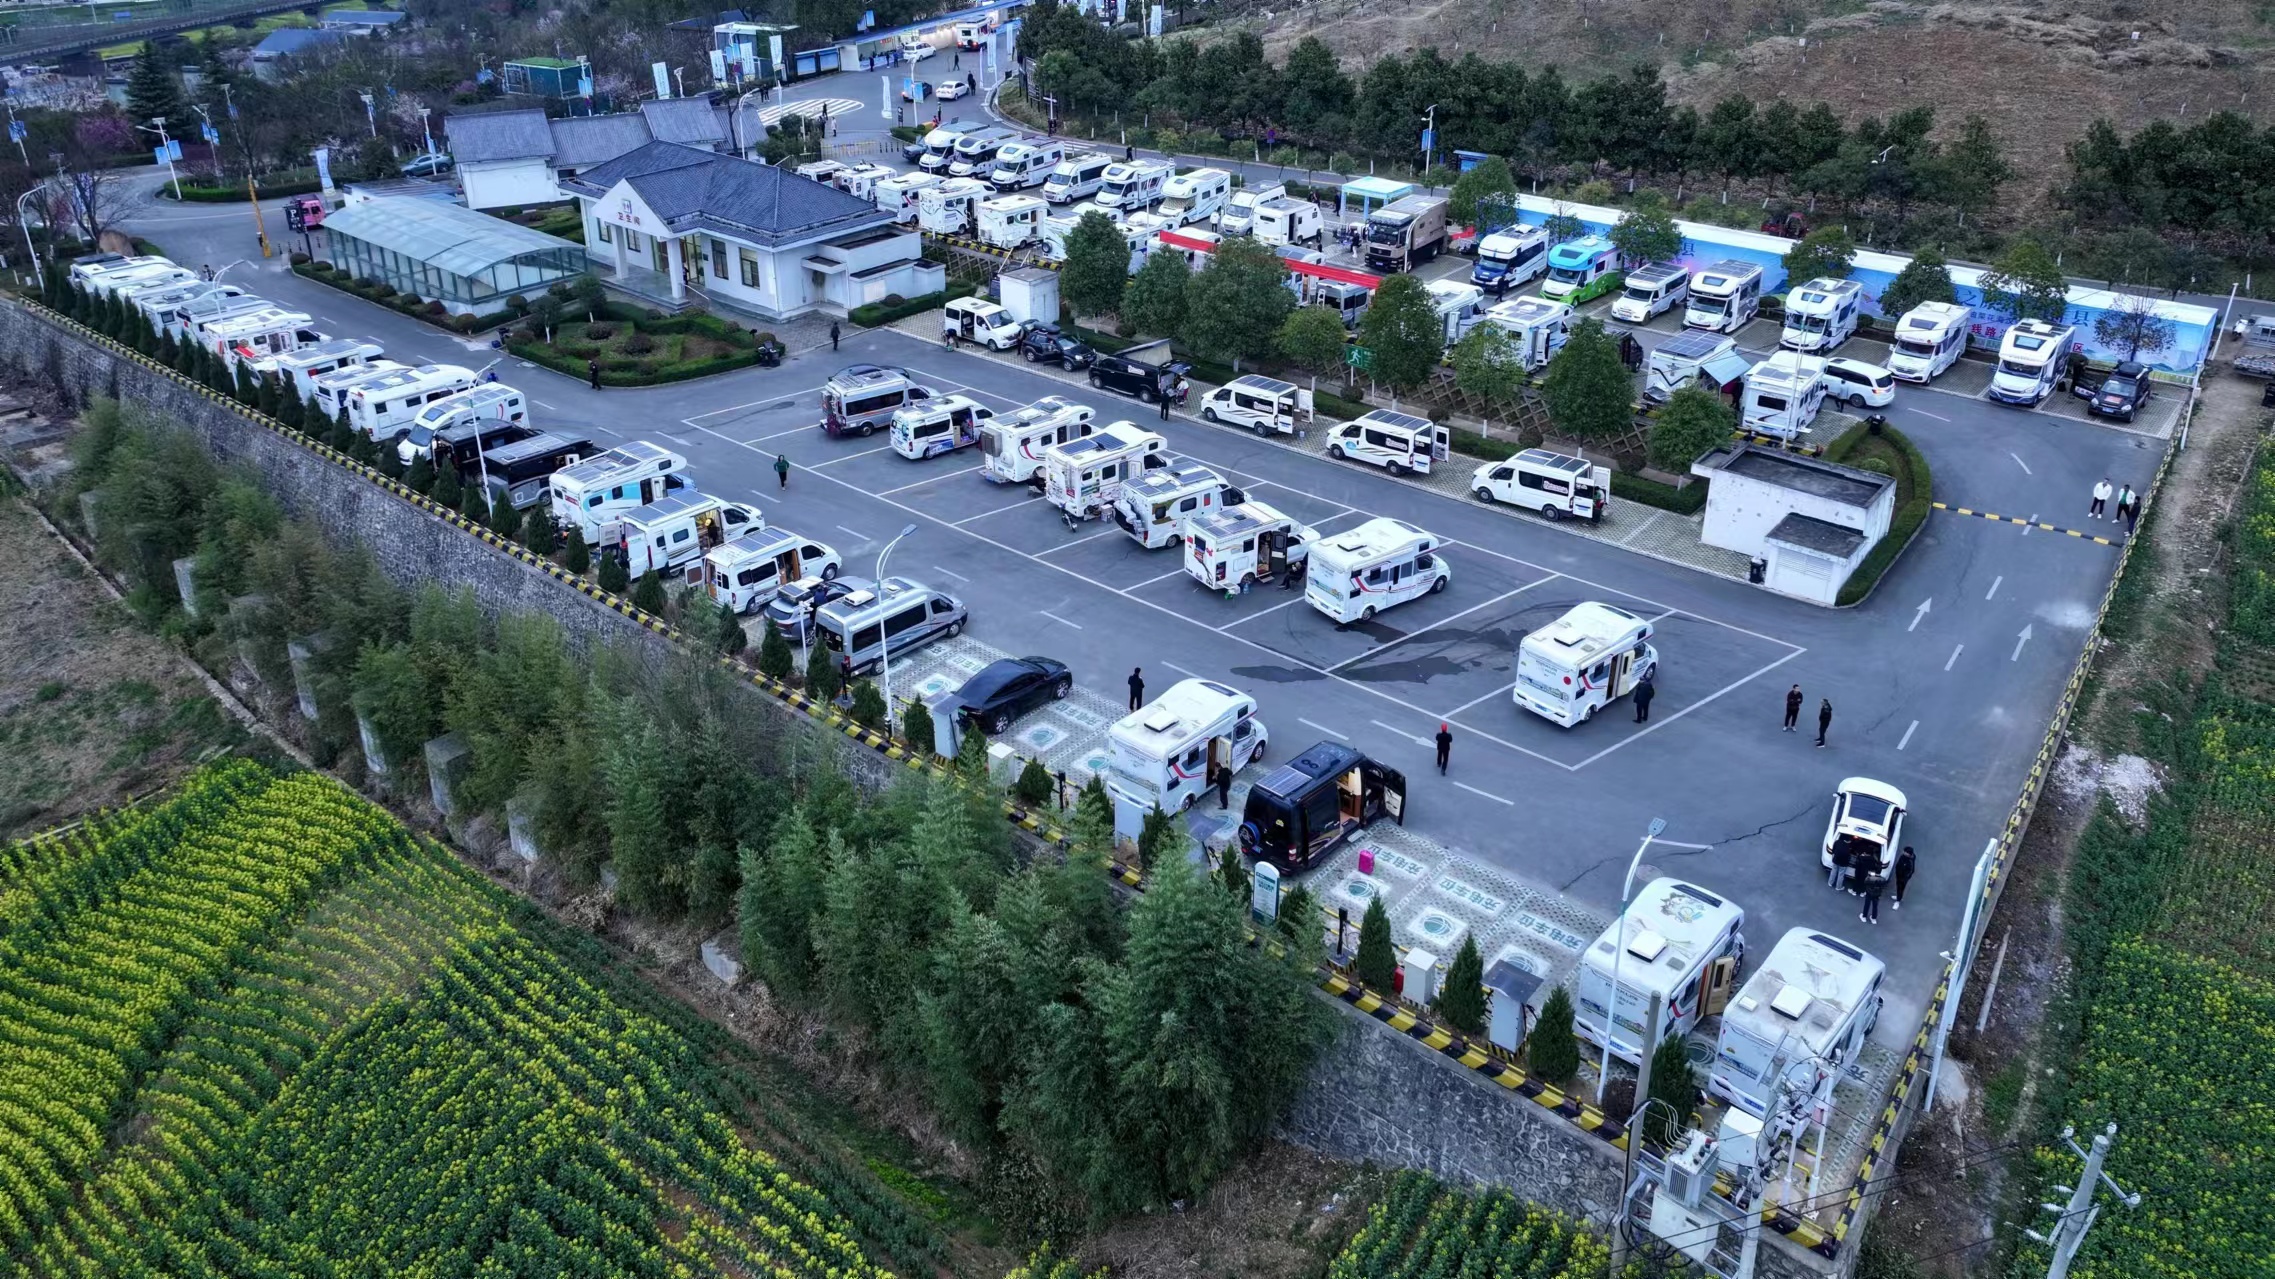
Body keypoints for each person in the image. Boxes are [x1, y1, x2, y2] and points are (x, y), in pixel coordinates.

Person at [1892, 845, 1916, 910]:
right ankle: (1898, 897)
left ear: (1908, 854)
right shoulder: (1903, 856)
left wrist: (1904, 878)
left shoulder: (1910, 861)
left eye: (1905, 852)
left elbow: (1910, 871)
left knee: (1901, 888)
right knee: (1898, 887)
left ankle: (1898, 901)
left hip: (1903, 878)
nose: (1903, 852)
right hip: (1899, 874)